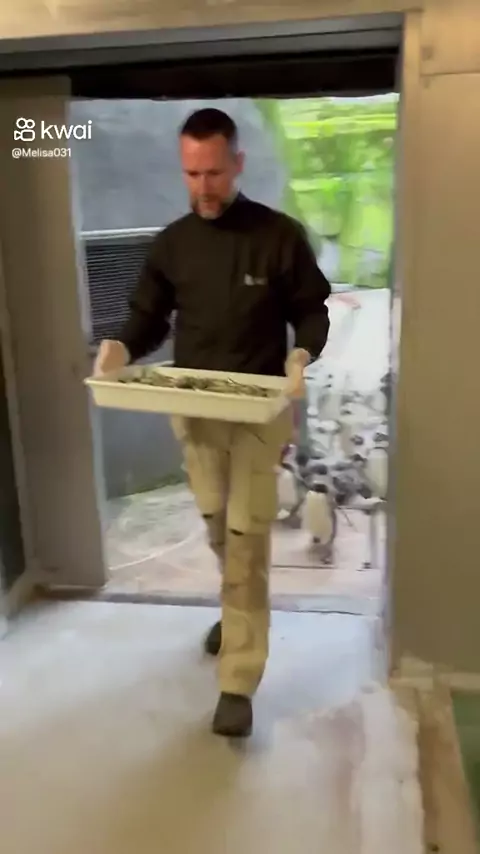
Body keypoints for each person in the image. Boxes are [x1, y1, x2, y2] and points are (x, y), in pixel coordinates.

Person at [94, 108, 331, 738]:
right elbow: (148, 316)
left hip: (257, 413)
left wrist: (303, 354)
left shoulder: (278, 236)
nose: (203, 187)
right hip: (195, 407)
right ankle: (237, 605)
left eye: (215, 173)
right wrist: (121, 347)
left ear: (238, 164)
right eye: (192, 174)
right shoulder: (173, 243)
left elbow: (312, 311)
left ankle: (238, 680)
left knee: (247, 536)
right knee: (216, 522)